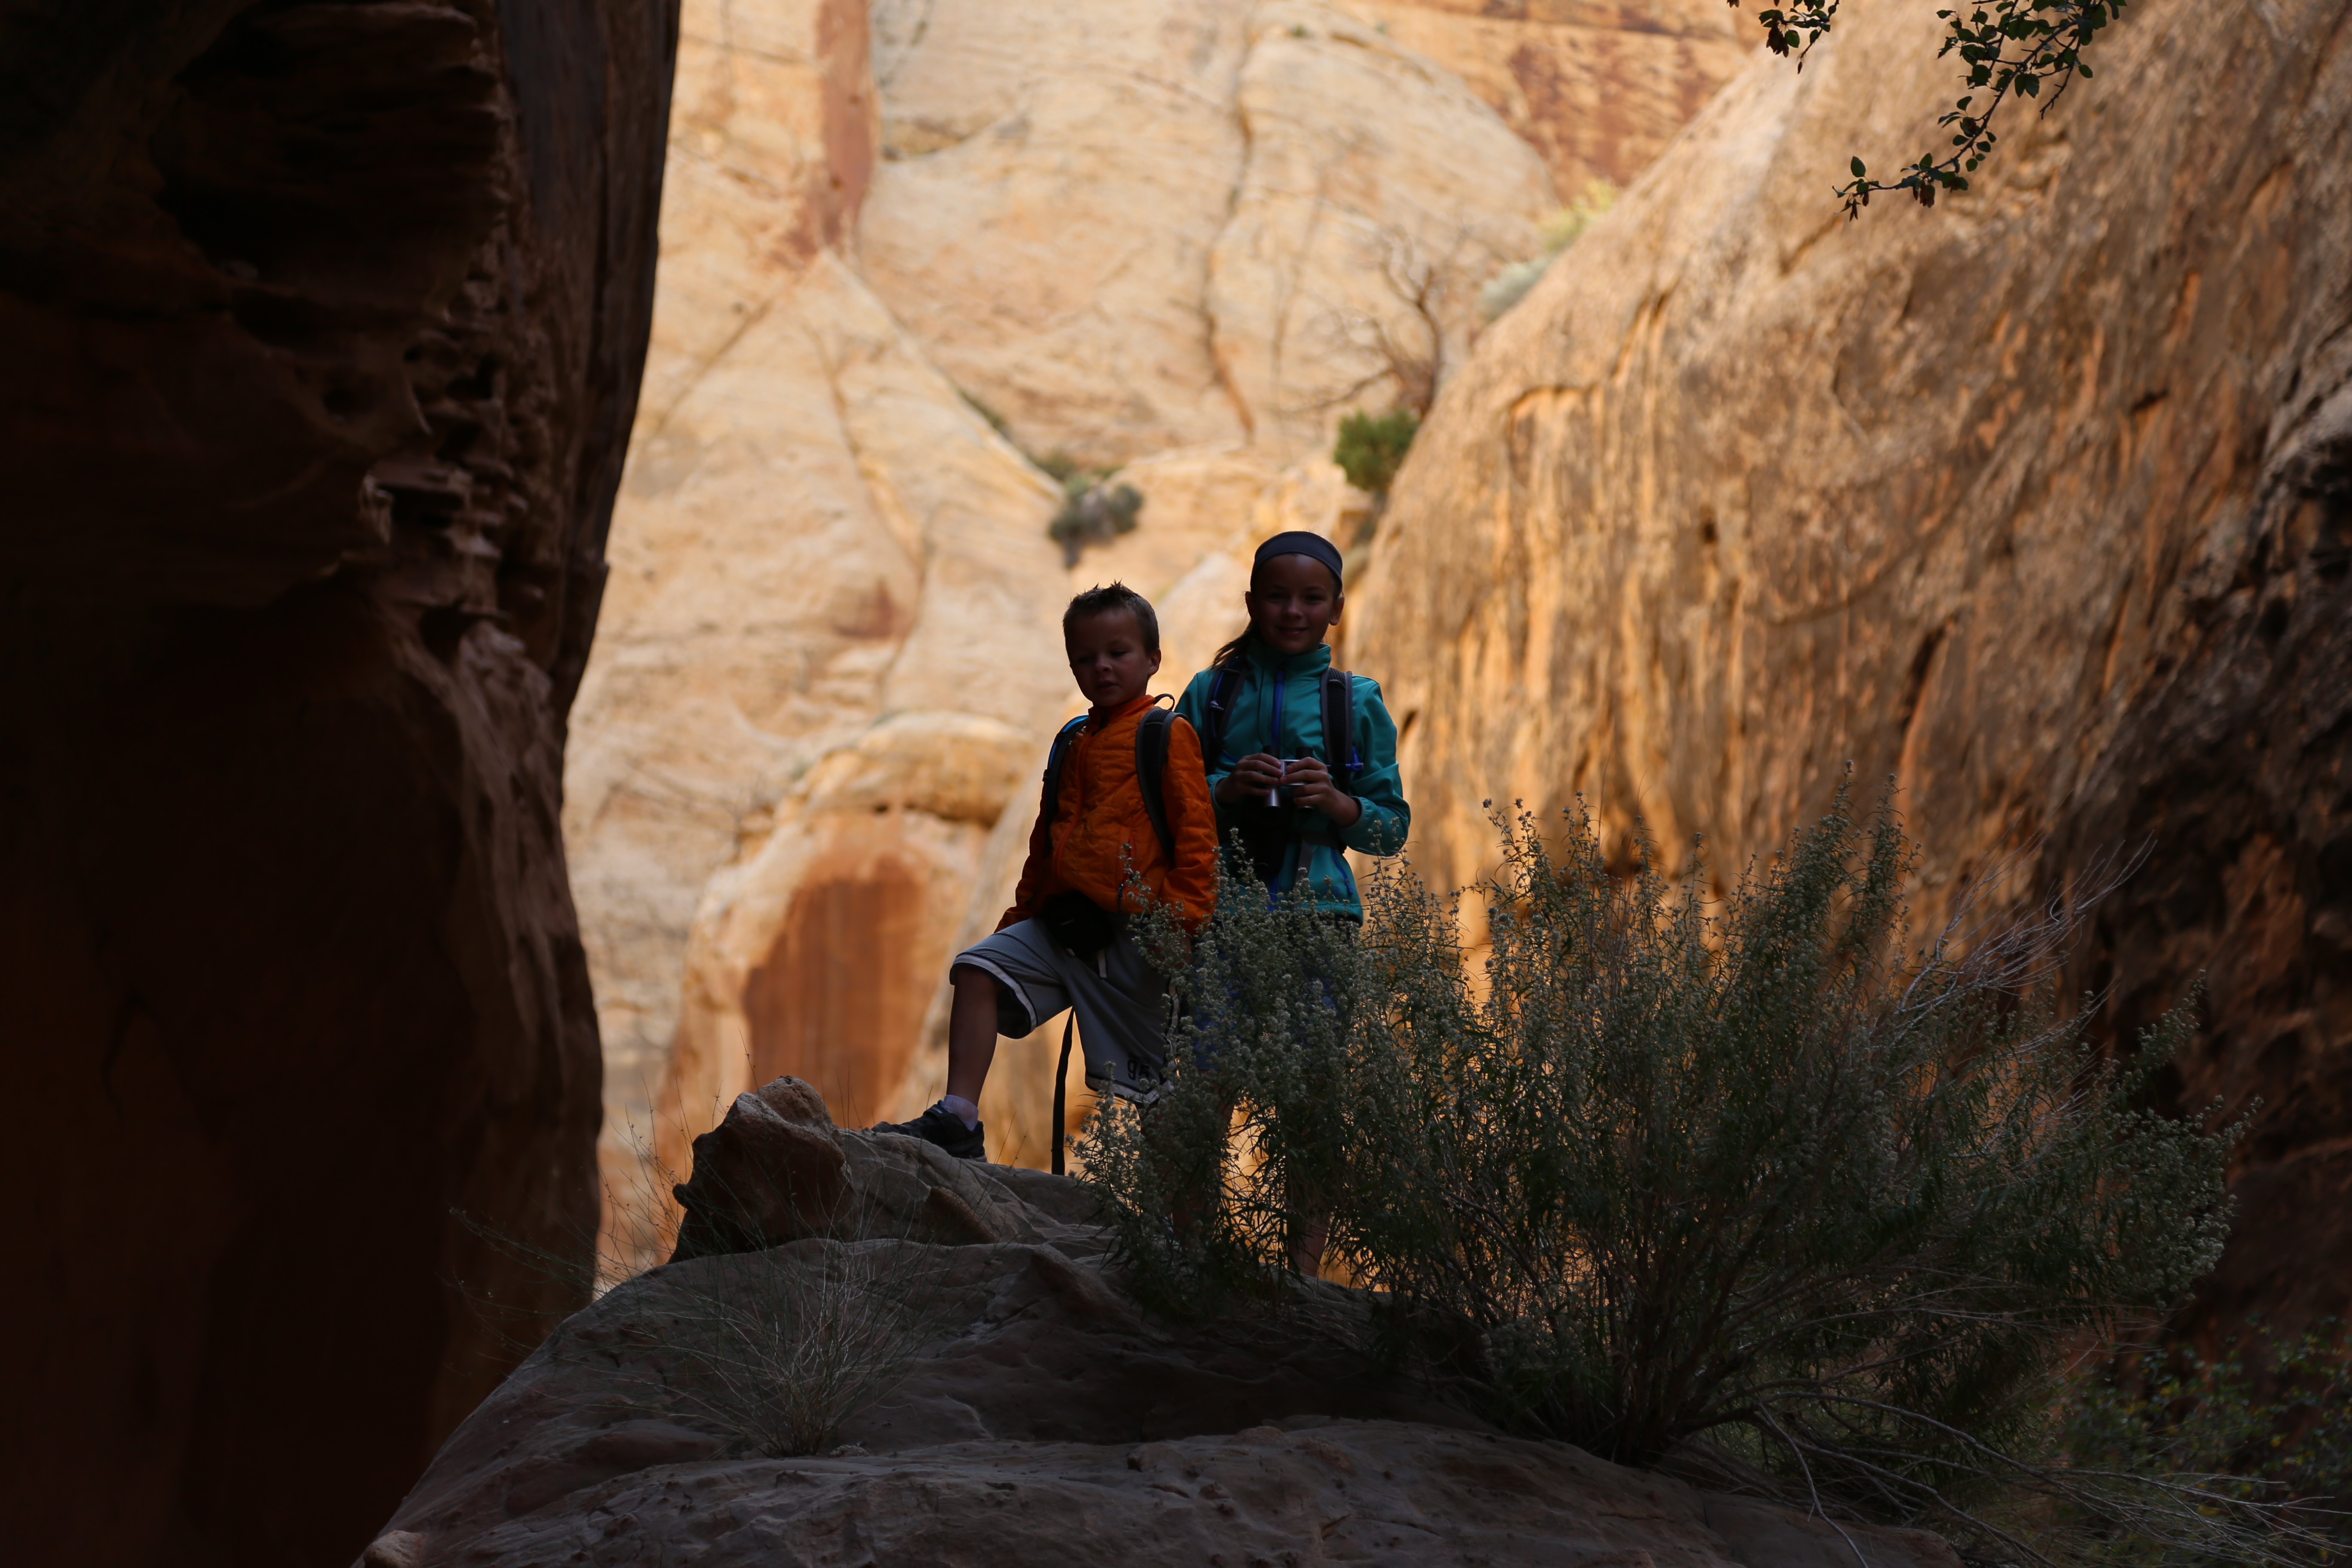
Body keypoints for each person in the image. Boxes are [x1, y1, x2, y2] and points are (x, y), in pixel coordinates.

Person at [877, 582, 1218, 1162]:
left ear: (1153, 660)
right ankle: (959, 1118)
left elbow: (1197, 839)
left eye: (1119, 653)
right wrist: (1021, 918)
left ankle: (1174, 1220)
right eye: (1086, 658)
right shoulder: (1072, 742)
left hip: (1138, 938)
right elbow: (1048, 840)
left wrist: (1178, 929)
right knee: (979, 969)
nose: (1102, 667)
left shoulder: (1165, 734)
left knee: (1156, 1087)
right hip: (1065, 928)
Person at [1173, 531, 1409, 919]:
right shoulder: (1209, 692)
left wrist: (1334, 800)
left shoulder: (1357, 701)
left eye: (1313, 598)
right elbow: (1167, 807)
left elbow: (1393, 830)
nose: (1293, 611)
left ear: (1337, 609)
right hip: (1216, 911)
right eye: (1276, 596)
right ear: (1252, 605)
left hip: (1323, 914)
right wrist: (1228, 790)